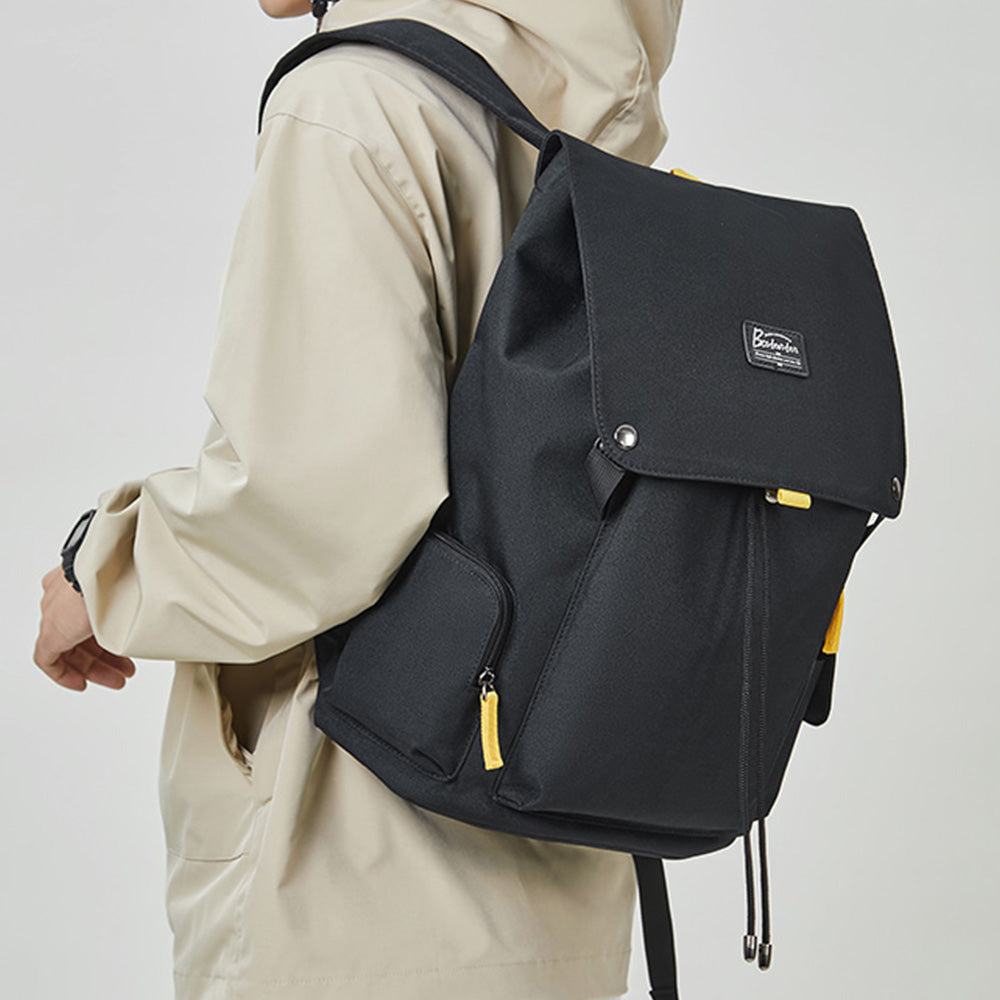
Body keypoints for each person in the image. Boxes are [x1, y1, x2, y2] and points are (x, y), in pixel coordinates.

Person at [34, 1, 685, 997]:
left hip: (354, 877)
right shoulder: (600, 108)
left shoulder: (356, 101)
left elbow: (317, 504)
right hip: (556, 879)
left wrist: (106, 571)